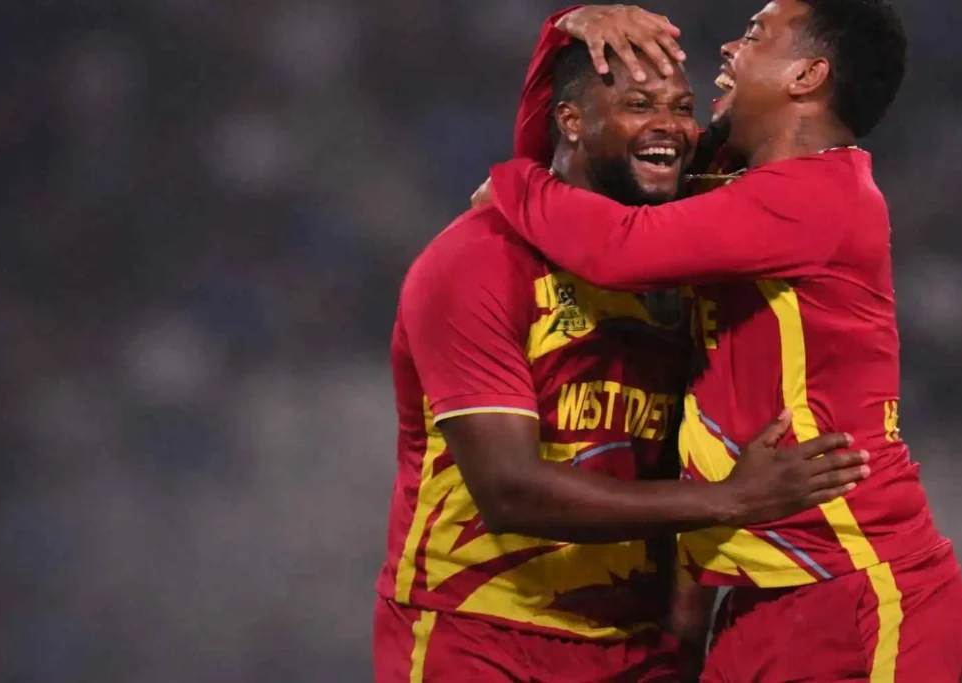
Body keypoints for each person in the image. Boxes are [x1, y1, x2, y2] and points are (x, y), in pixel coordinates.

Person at [373, 19, 872, 683]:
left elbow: (691, 455)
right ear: (572, 123)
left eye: (682, 109)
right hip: (478, 634)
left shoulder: (686, 267)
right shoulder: (475, 262)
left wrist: (684, 634)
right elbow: (509, 490)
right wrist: (732, 499)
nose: (668, 126)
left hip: (636, 649)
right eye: (638, 106)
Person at [485, 1, 962, 681]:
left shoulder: (819, 196)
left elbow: (612, 248)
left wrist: (509, 183)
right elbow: (577, 165)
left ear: (807, 74)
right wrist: (562, 34)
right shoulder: (729, 176)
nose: (727, 50)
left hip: (860, 585)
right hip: (758, 595)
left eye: (754, 35)